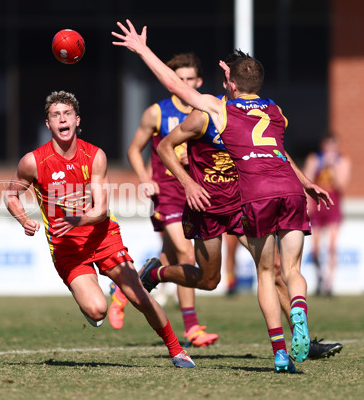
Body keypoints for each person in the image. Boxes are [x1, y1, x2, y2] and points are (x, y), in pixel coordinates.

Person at [111, 20, 333, 372]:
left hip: (249, 198)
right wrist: (187, 182)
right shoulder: (236, 112)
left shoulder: (240, 110)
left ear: (229, 81)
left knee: (272, 270)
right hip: (211, 204)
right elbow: (167, 145)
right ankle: (156, 274)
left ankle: (289, 346)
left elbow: (274, 150)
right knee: (210, 279)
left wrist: (141, 51)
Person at [4, 90, 195, 368]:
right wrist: (24, 219)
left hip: (103, 237)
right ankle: (93, 297)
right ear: (48, 124)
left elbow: (101, 210)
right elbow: (11, 195)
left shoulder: (94, 156)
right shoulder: (33, 161)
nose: (62, 120)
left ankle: (177, 350)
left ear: (77, 120)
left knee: (137, 296)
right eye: (55, 115)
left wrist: (74, 220)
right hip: (67, 249)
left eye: (67, 114)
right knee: (96, 310)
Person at [108, 52, 218, 348]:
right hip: (166, 194)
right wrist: (145, 179)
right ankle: (192, 327)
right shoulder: (157, 112)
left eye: (190, 79)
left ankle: (123, 291)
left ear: (199, 81)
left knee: (170, 258)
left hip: (196, 194)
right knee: (186, 255)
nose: (184, 83)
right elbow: (134, 149)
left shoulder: (208, 112)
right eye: (179, 79)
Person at [302, 132, 351, 296]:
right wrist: (308, 205)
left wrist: (333, 167)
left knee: (332, 246)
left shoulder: (342, 161)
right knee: (315, 249)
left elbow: (342, 186)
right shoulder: (314, 159)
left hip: (334, 207)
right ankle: (319, 277)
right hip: (318, 207)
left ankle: (329, 283)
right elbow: (306, 183)